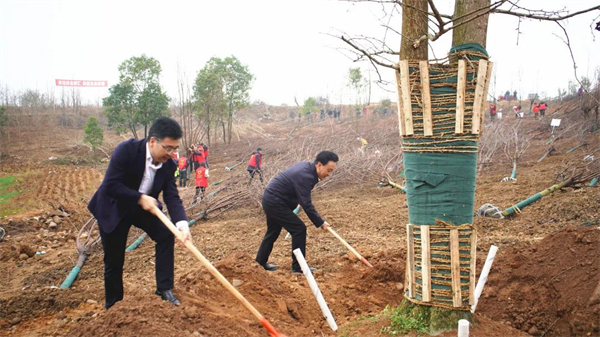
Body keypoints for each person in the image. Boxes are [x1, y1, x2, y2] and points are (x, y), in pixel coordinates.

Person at [88, 117, 192, 309]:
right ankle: (114, 304)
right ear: (153, 141)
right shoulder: (126, 150)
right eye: (168, 148)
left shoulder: (169, 165)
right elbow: (110, 185)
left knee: (165, 235)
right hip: (114, 205)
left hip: (143, 207)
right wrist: (139, 197)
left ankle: (164, 289)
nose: (171, 153)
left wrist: (182, 224)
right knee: (114, 258)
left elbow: (172, 196)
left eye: (175, 148)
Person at [256, 151, 338, 273]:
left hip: (272, 199)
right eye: (329, 170)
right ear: (319, 165)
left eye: (332, 171)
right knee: (299, 229)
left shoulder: (307, 168)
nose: (330, 174)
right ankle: (298, 267)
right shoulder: (305, 176)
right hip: (276, 202)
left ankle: (260, 263)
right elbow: (306, 203)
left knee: (273, 231)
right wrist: (320, 222)